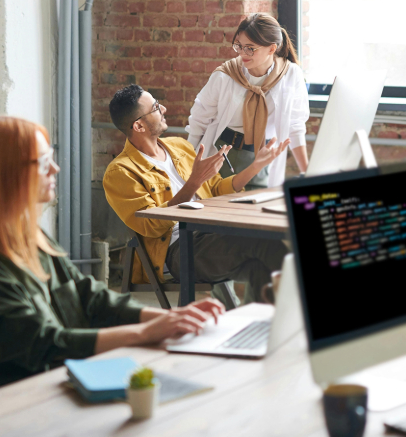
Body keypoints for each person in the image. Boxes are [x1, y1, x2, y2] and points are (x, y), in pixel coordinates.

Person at [0, 116, 226, 394]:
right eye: (42, 161)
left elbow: (90, 297)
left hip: (73, 379)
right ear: (5, 173)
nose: (56, 168)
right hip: (34, 399)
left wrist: (167, 319)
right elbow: (43, 343)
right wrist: (145, 333)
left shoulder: (30, 236)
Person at [103, 85, 289, 307]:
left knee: (263, 262)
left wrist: (256, 166)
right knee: (266, 243)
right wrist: (193, 182)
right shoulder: (120, 172)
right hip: (178, 250)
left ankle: (265, 330)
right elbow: (152, 224)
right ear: (138, 125)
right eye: (154, 107)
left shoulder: (179, 147)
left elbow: (217, 189)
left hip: (212, 232)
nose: (162, 107)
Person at [187, 13, 310, 190]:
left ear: (271, 48)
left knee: (256, 213)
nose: (243, 53)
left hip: (262, 157)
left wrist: (308, 173)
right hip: (221, 154)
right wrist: (186, 166)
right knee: (217, 210)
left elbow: (296, 126)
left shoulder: (291, 75)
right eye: (239, 46)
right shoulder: (225, 75)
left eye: (250, 48)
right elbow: (198, 121)